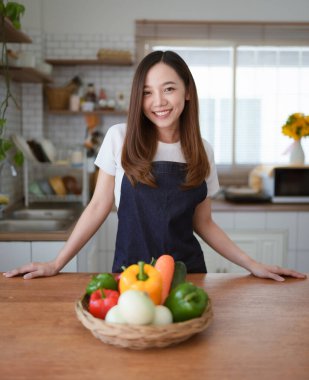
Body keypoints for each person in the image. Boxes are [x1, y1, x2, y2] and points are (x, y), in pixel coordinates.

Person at [3, 51, 306, 281]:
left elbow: (205, 223)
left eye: (169, 89)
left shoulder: (203, 150)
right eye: (147, 92)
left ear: (187, 92)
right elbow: (98, 206)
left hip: (187, 278)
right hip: (130, 277)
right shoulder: (119, 138)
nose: (158, 101)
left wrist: (252, 264)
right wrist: (56, 264)